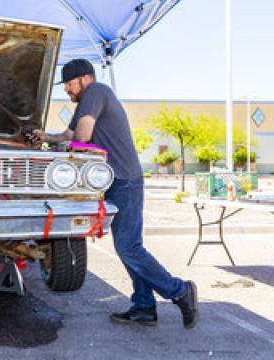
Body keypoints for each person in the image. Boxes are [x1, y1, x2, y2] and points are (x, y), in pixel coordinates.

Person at [30, 59, 199, 329]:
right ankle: (143, 306)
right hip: (117, 181)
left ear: (85, 78)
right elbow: (69, 133)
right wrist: (45, 137)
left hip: (125, 181)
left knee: (129, 247)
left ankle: (179, 291)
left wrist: (63, 149)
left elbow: (82, 137)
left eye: (69, 85)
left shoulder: (96, 91)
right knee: (129, 246)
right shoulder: (87, 101)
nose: (68, 92)